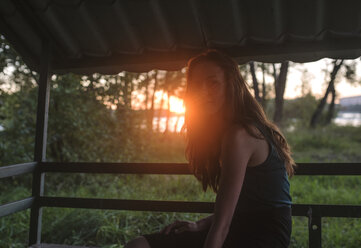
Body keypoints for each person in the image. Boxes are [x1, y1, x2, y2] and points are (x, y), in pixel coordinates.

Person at [124, 49, 297, 248]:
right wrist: (200, 225)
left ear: (230, 86)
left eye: (213, 83)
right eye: (197, 84)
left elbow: (223, 225)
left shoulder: (240, 134)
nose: (203, 91)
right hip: (238, 224)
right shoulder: (224, 132)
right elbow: (238, 208)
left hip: (264, 235)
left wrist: (210, 230)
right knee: (138, 245)